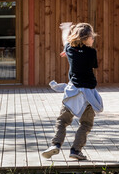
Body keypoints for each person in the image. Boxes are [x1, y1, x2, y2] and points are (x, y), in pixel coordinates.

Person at [42, 22, 103, 162]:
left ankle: (55, 144)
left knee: (62, 121)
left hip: (73, 92)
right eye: (92, 37)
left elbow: (66, 41)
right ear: (86, 38)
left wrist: (65, 29)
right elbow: (93, 65)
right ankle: (76, 150)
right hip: (88, 94)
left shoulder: (69, 48)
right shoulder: (92, 52)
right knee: (86, 124)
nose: (93, 39)